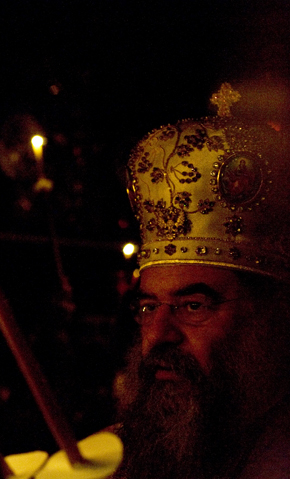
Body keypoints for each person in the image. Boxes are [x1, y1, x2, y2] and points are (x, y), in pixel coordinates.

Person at [112, 83, 290, 479]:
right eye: (148, 307)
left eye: (193, 306)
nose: (158, 335)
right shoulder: (119, 455)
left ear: (269, 318)